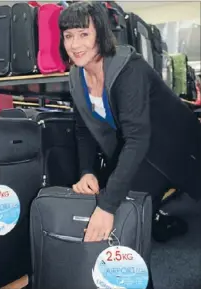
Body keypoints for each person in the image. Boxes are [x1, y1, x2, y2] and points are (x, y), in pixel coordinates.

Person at [58, 2, 201, 245]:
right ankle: (153, 226)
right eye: (68, 36)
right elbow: (84, 130)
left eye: (84, 34)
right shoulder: (76, 75)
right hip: (141, 148)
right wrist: (86, 171)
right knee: (116, 200)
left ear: (101, 33)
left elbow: (137, 138)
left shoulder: (128, 69)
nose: (75, 44)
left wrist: (108, 206)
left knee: (118, 206)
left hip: (174, 145)